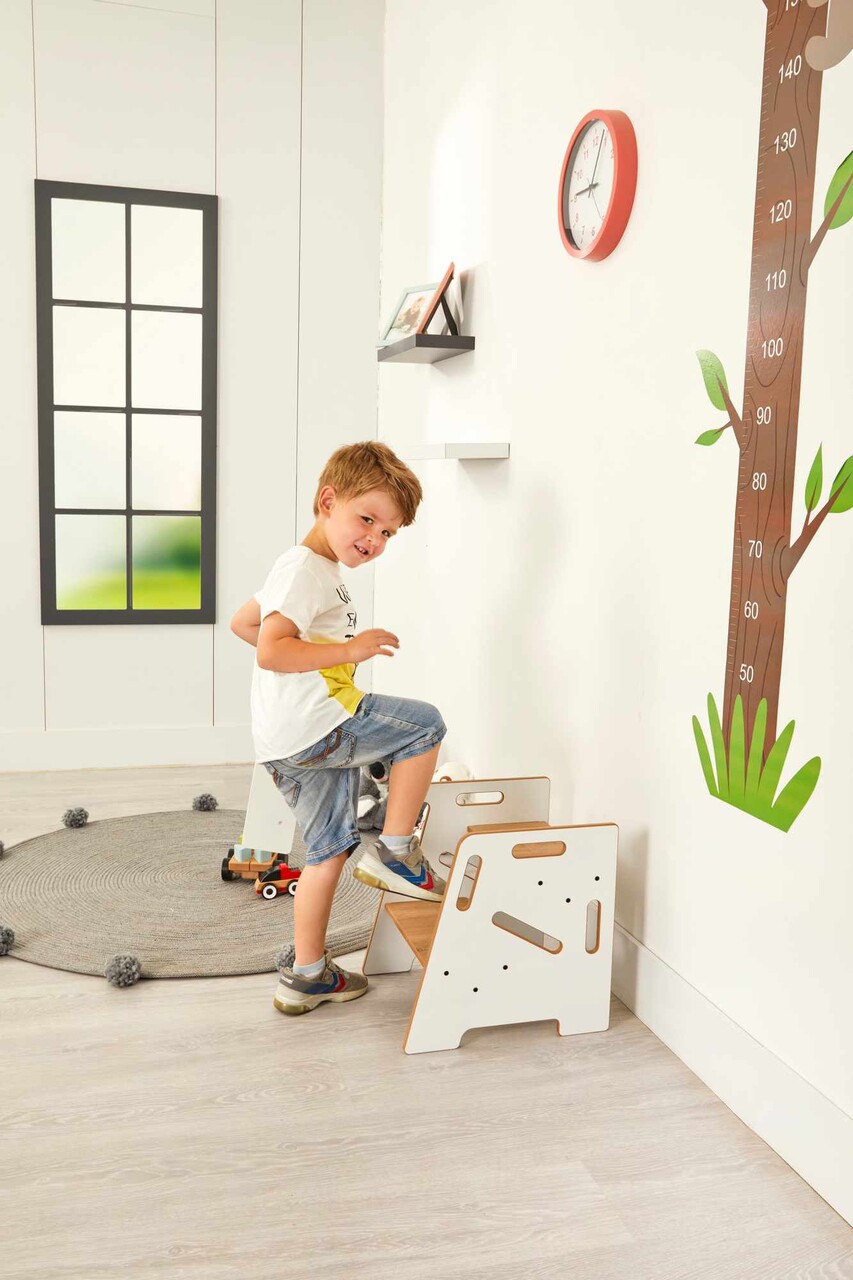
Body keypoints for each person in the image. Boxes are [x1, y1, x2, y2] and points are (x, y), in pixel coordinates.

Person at [230, 441, 447, 1016]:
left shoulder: (300, 568)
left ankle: (307, 975)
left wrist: (307, 657)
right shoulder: (307, 570)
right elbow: (270, 650)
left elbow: (244, 624)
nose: (375, 539)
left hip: (284, 742)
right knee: (424, 726)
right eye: (367, 519)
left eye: (388, 533)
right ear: (328, 501)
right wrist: (347, 651)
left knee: (327, 851)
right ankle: (396, 851)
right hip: (321, 724)